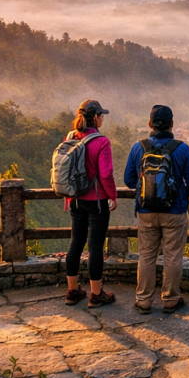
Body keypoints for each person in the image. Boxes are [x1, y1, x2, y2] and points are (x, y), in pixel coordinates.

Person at [124, 104, 189, 314]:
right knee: (173, 256)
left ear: (150, 124)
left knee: (146, 255)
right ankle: (170, 300)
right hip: (175, 212)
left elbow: (129, 180)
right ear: (172, 124)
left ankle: (143, 301)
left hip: (145, 212)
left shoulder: (138, 147)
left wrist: (147, 185)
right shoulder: (182, 149)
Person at [64, 99, 118, 307]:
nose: (102, 119)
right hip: (96, 201)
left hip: (75, 200)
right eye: (101, 115)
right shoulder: (101, 142)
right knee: (95, 246)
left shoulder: (71, 137)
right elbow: (106, 175)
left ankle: (72, 291)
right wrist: (113, 195)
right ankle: (96, 294)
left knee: (75, 243)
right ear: (95, 118)